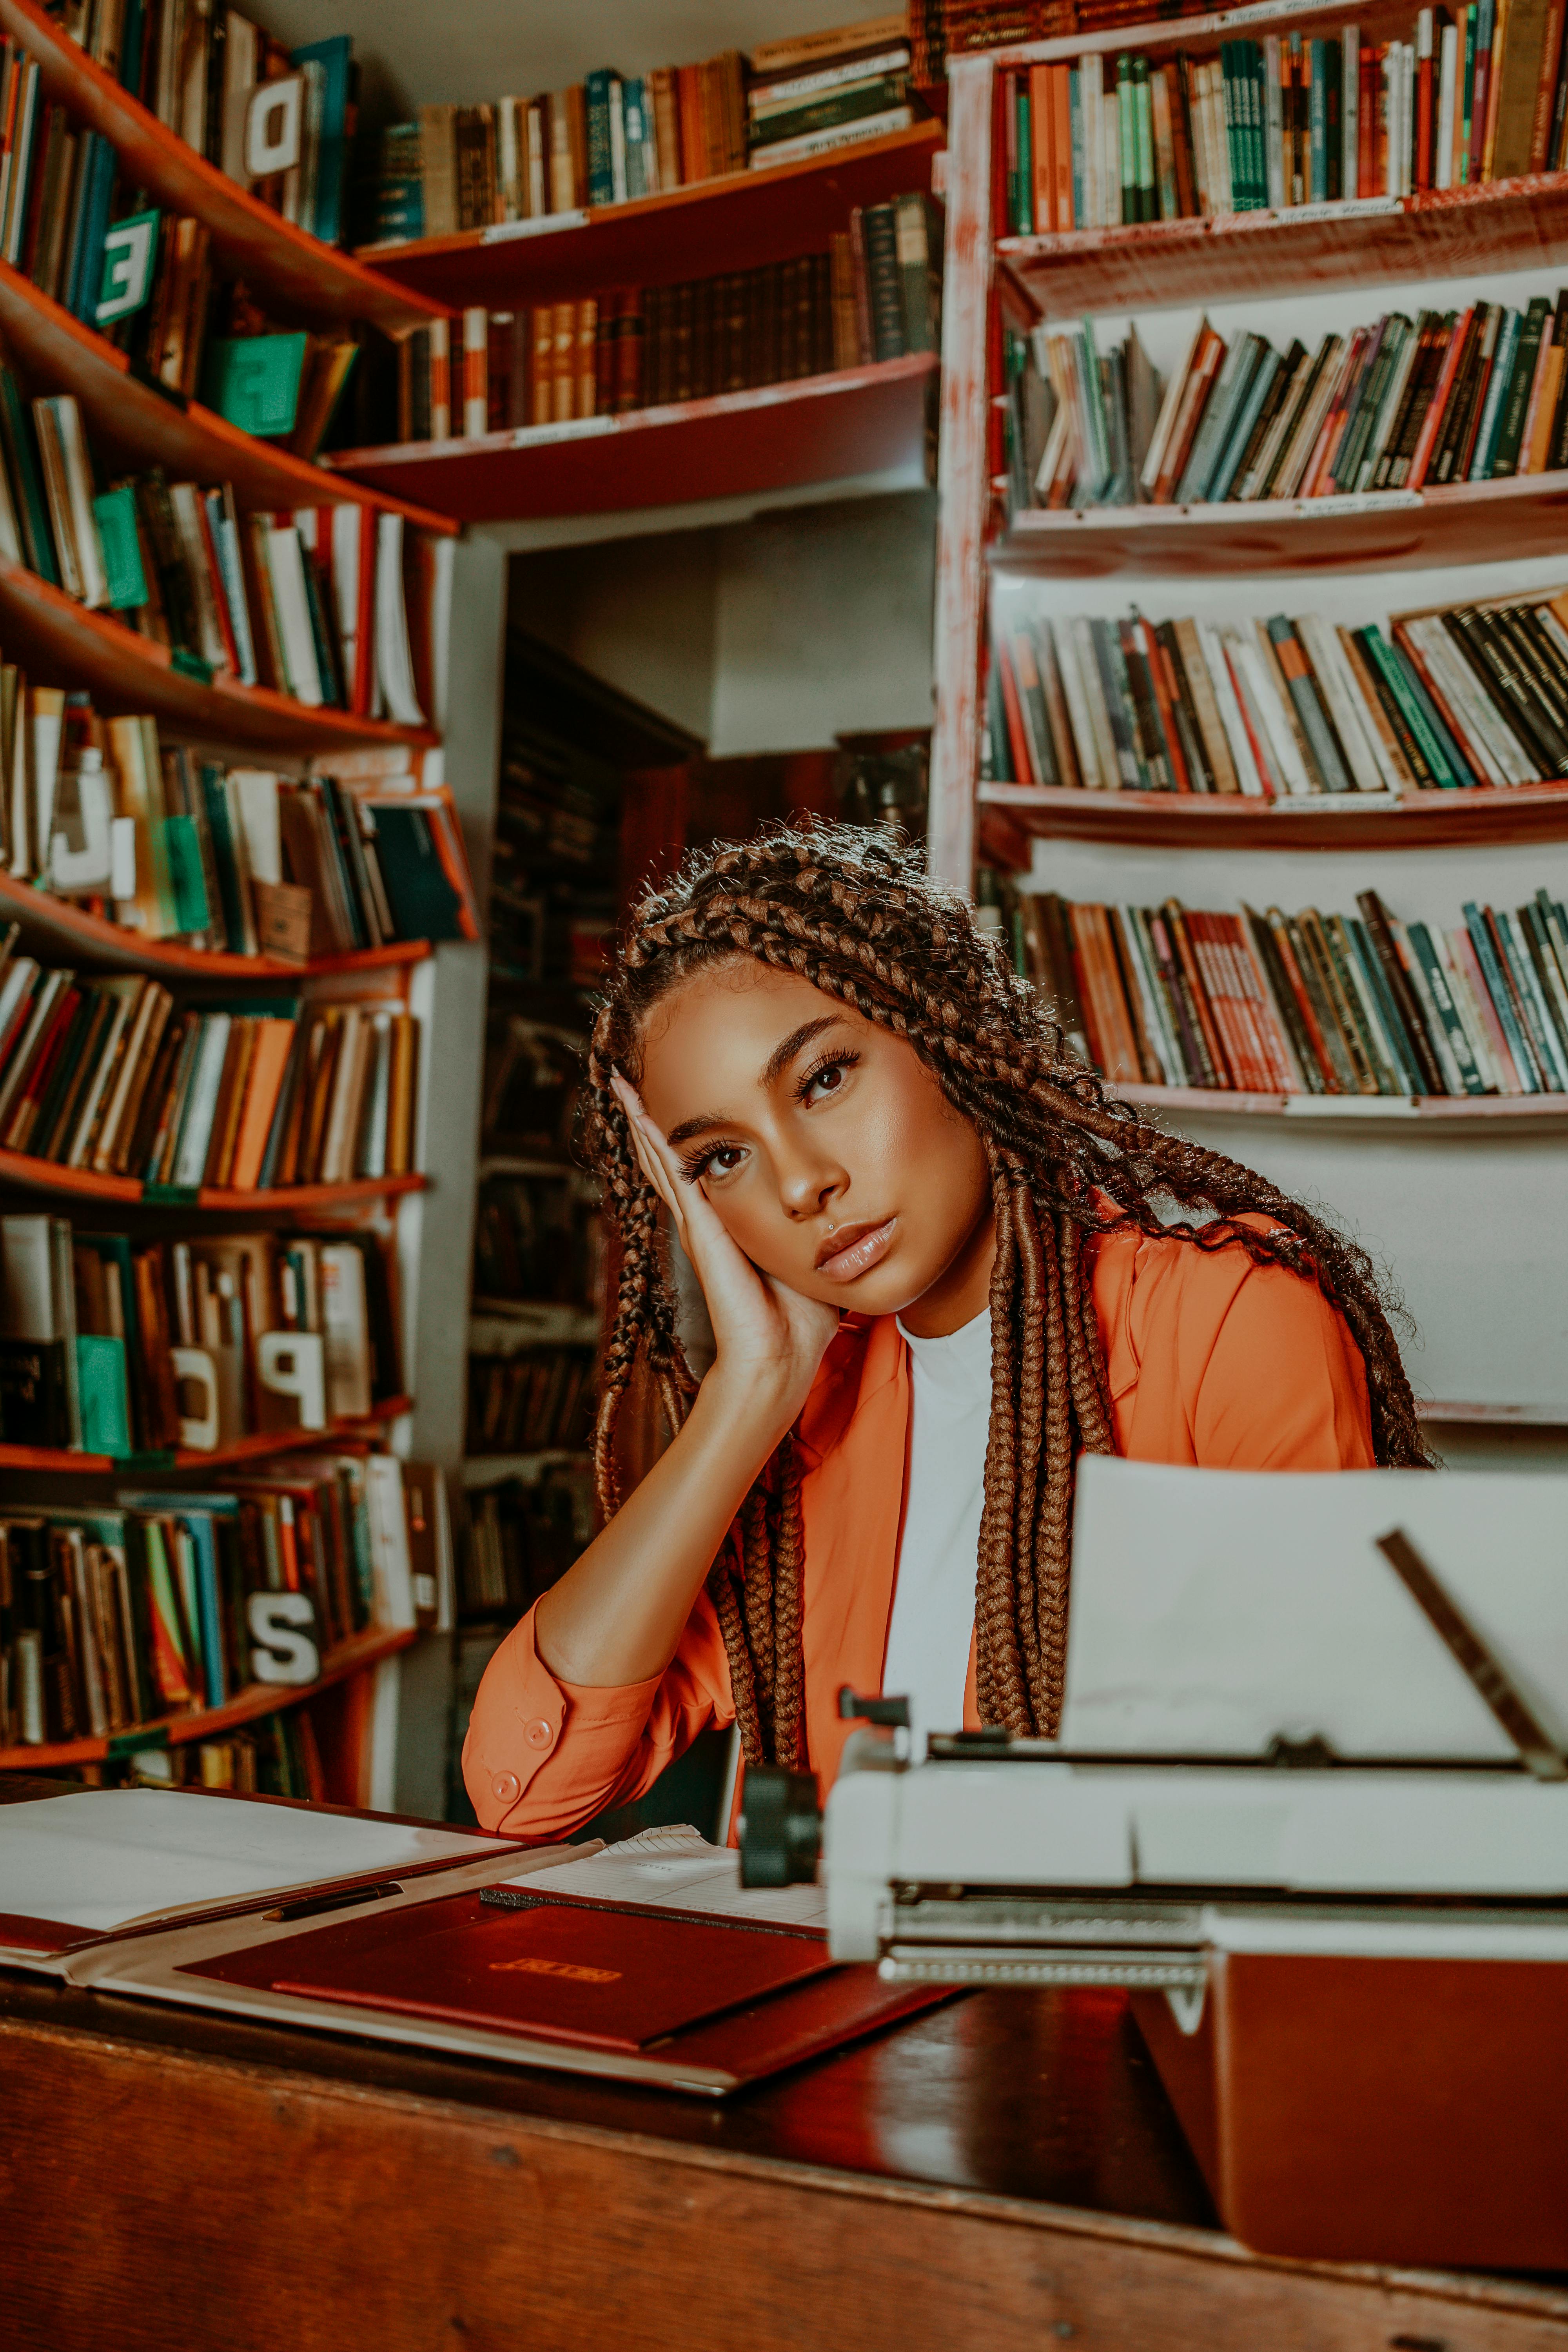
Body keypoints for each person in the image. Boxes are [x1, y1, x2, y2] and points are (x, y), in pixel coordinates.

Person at [464, 826, 1428, 1837]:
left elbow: (1317, 1780)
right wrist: (745, 1396)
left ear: (944, 1034)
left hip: (1089, 1988)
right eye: (719, 1159)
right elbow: (521, 1790)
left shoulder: (1224, 1318)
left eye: (825, 1079)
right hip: (829, 1986)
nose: (801, 1184)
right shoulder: (801, 1416)